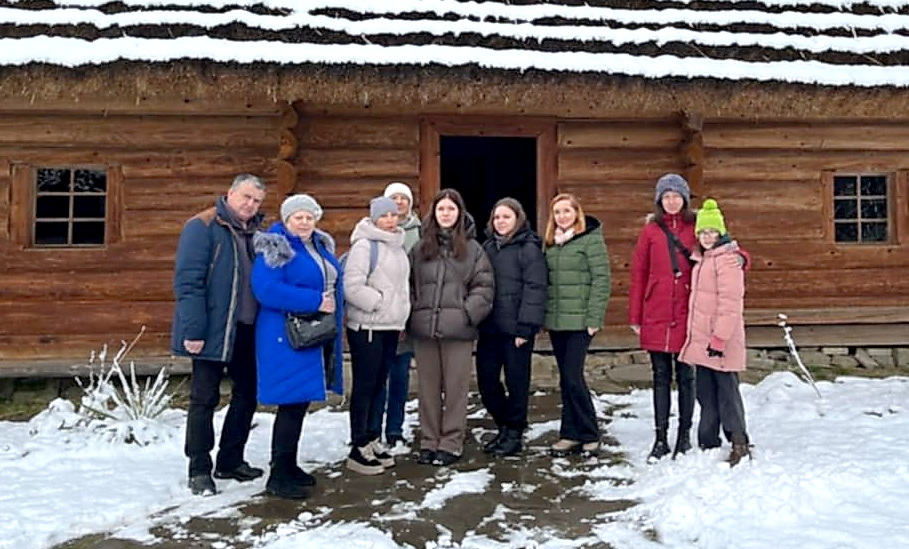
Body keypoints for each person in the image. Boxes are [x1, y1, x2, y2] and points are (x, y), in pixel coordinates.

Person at [630, 174, 750, 462]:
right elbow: (639, 273)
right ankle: (661, 437)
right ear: (659, 201)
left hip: (687, 313)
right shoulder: (650, 231)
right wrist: (635, 314)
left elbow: (721, 247)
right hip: (656, 312)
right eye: (666, 196)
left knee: (687, 377)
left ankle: (684, 436)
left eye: (676, 195)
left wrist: (744, 257)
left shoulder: (695, 226)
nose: (671, 201)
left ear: (685, 199)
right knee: (660, 377)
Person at [172, 173, 267, 496]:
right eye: (245, 198)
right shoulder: (202, 227)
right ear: (230, 194)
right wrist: (193, 330)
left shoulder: (257, 233)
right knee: (204, 399)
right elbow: (189, 283)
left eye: (256, 201)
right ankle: (199, 467)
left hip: (247, 329)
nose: (250, 205)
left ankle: (230, 459)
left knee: (247, 394)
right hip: (212, 330)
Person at [250, 193, 345, 499]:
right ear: (287, 219)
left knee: (299, 403)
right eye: (297, 217)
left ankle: (288, 465)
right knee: (290, 404)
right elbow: (266, 289)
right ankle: (278, 475)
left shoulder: (317, 244)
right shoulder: (277, 246)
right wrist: (314, 300)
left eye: (309, 216)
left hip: (308, 333)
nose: (304, 222)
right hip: (284, 335)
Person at [409, 188, 494, 466]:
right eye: (441, 209)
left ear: (460, 213)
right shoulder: (420, 249)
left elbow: (484, 287)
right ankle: (429, 440)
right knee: (428, 389)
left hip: (458, 331)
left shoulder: (473, 249)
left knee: (456, 389)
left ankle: (451, 442)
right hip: (424, 329)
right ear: (434, 213)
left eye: (451, 209)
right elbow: (407, 284)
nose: (446, 214)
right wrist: (412, 313)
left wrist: (467, 314)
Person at [679, 199, 751, 466]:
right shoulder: (703, 260)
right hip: (703, 339)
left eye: (711, 232)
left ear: (720, 233)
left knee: (727, 391)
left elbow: (730, 303)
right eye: (702, 232)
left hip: (720, 340)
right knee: (705, 391)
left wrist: (719, 338)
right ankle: (708, 440)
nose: (707, 237)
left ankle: (739, 440)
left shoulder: (727, 261)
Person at [343, 196, 412, 475]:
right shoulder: (364, 246)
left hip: (390, 327)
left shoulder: (397, 246)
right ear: (374, 218)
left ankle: (372, 437)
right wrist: (379, 303)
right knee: (365, 385)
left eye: (394, 216)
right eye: (384, 216)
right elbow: (352, 285)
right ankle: (358, 445)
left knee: (379, 383)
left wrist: (399, 312)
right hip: (368, 326)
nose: (390, 220)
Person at [476, 198, 547, 457]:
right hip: (490, 328)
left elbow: (535, 288)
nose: (501, 222)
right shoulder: (487, 248)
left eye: (506, 217)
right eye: (497, 217)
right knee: (487, 383)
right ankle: (505, 426)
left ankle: (514, 433)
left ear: (518, 219)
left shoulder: (528, 248)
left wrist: (526, 328)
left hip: (517, 329)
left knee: (516, 383)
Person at [543, 193, 611, 458]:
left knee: (573, 376)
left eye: (566, 211)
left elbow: (601, 280)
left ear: (577, 214)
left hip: (581, 321)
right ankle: (570, 434)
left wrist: (595, 318)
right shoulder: (551, 244)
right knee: (566, 378)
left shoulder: (590, 240)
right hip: (558, 321)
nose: (562, 217)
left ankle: (590, 433)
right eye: (557, 212)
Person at [369, 182, 422, 449]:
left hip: (406, 314)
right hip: (379, 316)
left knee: (400, 375)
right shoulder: (372, 235)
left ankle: (394, 429)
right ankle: (372, 429)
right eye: (394, 198)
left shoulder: (419, 233)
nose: (399, 203)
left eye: (404, 198)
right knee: (378, 376)